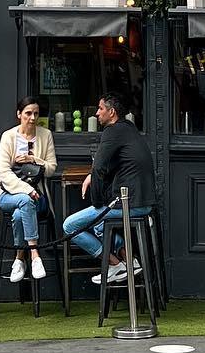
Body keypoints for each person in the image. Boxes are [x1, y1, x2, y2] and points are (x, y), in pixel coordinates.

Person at [63, 93, 157, 285]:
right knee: (99, 225)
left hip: (129, 204)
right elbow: (113, 163)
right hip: (144, 203)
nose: (97, 113)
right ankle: (129, 260)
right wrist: (91, 175)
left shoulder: (112, 131)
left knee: (69, 226)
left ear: (111, 112)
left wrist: (97, 202)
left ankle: (115, 264)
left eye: (100, 109)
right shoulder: (129, 128)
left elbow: (99, 167)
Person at [0, 95, 59, 283]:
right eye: (28, 113)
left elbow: (51, 169)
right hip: (7, 194)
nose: (33, 118)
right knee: (25, 200)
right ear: (19, 114)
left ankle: (19, 259)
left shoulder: (45, 135)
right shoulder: (8, 136)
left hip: (38, 195)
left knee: (21, 213)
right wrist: (25, 189)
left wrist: (33, 160)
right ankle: (35, 255)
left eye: (36, 113)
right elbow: (3, 171)